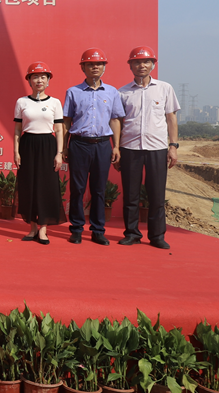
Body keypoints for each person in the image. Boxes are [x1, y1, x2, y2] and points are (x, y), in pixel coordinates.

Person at [117, 46, 180, 249]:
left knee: (156, 195)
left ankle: (157, 236)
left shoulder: (164, 88)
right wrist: (116, 148)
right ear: (130, 65)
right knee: (131, 195)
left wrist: (173, 146)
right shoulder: (122, 92)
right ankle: (132, 233)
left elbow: (171, 118)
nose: (141, 65)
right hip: (130, 148)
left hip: (157, 148)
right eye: (136, 62)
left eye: (146, 62)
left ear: (153, 64)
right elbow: (118, 122)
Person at [63, 48, 125, 245]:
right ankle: (76, 229)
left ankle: (98, 230)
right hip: (79, 144)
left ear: (104, 67)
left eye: (99, 64)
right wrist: (64, 147)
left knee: (99, 189)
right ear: (83, 67)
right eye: (90, 64)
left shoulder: (112, 92)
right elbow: (66, 121)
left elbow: (115, 120)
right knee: (77, 189)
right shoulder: (73, 92)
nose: (95, 67)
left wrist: (116, 146)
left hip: (102, 145)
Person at [13, 62, 64, 245]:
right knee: (29, 186)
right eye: (35, 77)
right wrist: (16, 151)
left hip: (48, 146)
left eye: (43, 77)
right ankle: (32, 228)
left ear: (48, 80)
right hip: (27, 145)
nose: (39, 80)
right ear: (29, 80)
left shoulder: (55, 102)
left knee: (46, 187)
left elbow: (59, 130)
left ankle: (43, 229)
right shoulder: (22, 102)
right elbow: (17, 129)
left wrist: (59, 153)